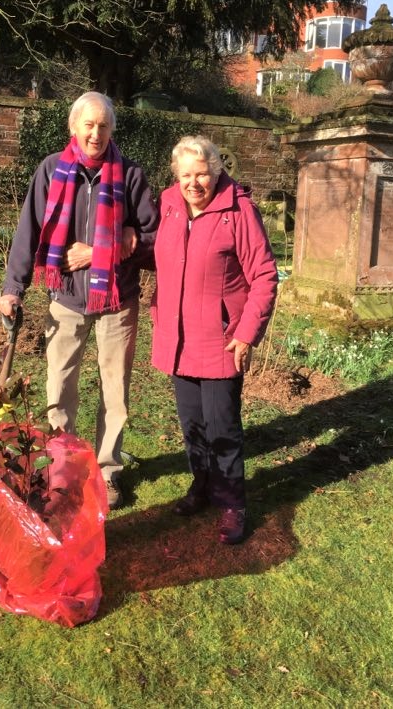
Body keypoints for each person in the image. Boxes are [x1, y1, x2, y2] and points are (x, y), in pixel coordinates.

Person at [0, 91, 158, 509]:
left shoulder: (131, 176)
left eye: (104, 126)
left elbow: (155, 242)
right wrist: (12, 289)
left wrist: (128, 242)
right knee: (60, 387)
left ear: (112, 130)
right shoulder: (52, 170)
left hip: (117, 302)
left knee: (115, 391)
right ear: (74, 127)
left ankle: (108, 470)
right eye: (89, 124)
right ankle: (61, 466)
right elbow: (27, 232)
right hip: (65, 300)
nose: (96, 133)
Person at [150, 136, 278, 544]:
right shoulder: (168, 205)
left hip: (222, 340)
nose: (194, 182)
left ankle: (232, 503)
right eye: (186, 174)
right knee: (193, 426)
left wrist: (246, 334)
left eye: (202, 173)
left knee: (223, 426)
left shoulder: (238, 210)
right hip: (178, 339)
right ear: (176, 175)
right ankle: (202, 486)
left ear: (217, 170)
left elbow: (264, 276)